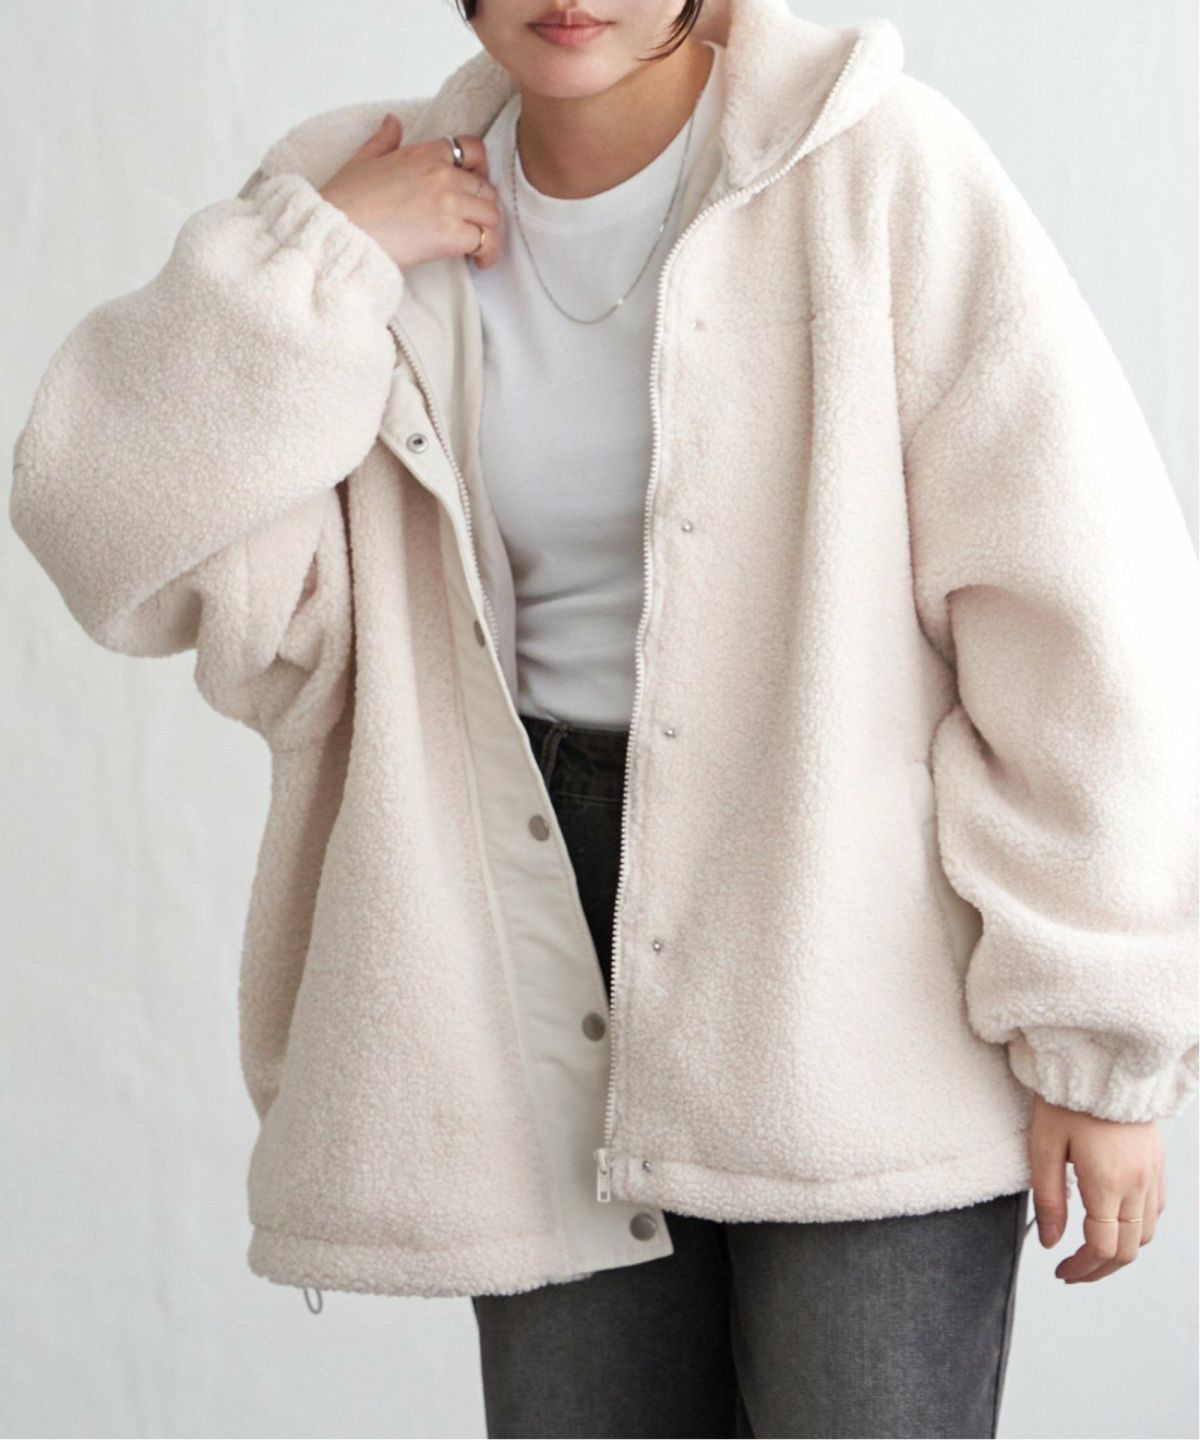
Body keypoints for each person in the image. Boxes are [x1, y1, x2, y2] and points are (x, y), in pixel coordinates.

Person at [10, 0, 1197, 1436]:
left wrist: (1100, 1045)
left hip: (850, 956)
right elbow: (101, 523)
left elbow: (1080, 609)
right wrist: (327, 252)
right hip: (523, 938)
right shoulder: (360, 195)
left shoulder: (878, 172)